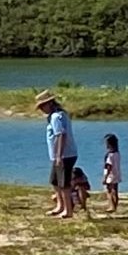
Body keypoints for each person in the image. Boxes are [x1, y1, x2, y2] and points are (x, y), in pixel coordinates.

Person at [37, 91, 78, 220]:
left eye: (43, 106)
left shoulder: (57, 116)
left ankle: (68, 210)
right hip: (57, 155)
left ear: (49, 103)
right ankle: (60, 206)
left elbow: (61, 135)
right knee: (55, 181)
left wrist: (59, 155)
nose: (42, 109)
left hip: (65, 154)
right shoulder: (55, 116)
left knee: (63, 183)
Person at [100, 134, 123, 213]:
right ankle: (115, 206)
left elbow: (108, 166)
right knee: (115, 191)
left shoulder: (110, 155)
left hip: (110, 175)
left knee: (109, 191)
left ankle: (111, 206)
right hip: (117, 174)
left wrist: (105, 177)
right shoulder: (117, 153)